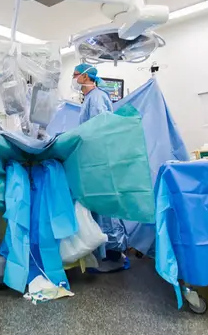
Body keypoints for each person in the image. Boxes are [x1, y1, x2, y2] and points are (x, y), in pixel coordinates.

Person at [71, 63, 129, 273]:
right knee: (101, 206)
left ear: (86, 77)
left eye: (76, 74)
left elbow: (98, 129)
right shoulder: (90, 98)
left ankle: (114, 254)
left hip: (100, 160)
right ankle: (108, 251)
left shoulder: (96, 98)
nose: (74, 78)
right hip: (96, 160)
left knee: (106, 206)